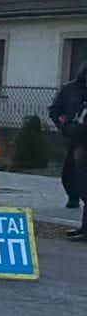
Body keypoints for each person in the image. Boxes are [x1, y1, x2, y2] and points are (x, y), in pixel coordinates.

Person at [48, 66, 87, 209]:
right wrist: (63, 125)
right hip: (74, 134)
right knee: (71, 168)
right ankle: (73, 196)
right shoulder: (70, 89)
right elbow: (55, 109)